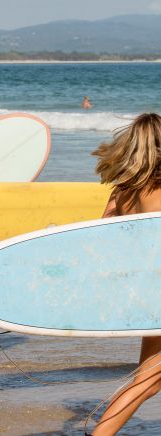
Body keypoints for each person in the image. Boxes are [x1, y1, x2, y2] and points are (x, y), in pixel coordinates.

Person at [90, 113, 161, 435]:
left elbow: (100, 238)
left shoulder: (121, 191)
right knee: (149, 378)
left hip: (144, 292)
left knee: (148, 380)